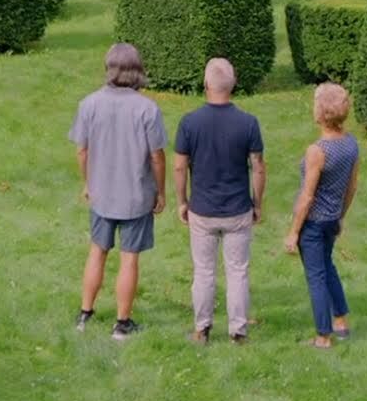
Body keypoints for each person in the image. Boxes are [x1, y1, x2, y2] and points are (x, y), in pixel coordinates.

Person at [70, 42, 168, 341]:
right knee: (129, 258)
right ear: (137, 70)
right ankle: (122, 323)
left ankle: (85, 314)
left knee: (97, 252)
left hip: (102, 194)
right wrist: (160, 191)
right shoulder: (148, 109)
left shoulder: (89, 104)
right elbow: (157, 157)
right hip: (136, 196)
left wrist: (88, 182)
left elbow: (82, 151)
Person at [174, 58, 265, 345]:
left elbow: (179, 166)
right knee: (237, 271)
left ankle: (202, 329)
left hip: (202, 209)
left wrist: (182, 200)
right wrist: (257, 203)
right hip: (238, 209)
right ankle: (238, 330)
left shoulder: (189, 123)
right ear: (233, 84)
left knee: (204, 271)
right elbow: (258, 166)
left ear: (205, 84)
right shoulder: (248, 123)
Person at [283, 82, 360, 348]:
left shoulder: (317, 151)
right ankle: (341, 321)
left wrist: (294, 231)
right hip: (332, 220)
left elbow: (307, 196)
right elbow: (352, 186)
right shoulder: (351, 144)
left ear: (321, 112)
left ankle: (323, 336)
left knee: (315, 275)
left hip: (314, 223)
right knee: (328, 267)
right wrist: (340, 216)